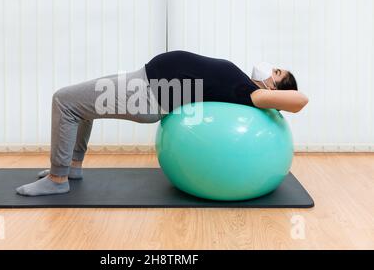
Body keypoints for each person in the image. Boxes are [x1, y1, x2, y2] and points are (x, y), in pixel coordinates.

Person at [16, 50, 308, 196]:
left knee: (63, 101)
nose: (270, 66)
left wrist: (272, 93)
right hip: (144, 84)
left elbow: (300, 100)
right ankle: (72, 168)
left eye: (277, 71)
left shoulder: (253, 94)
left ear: (272, 87)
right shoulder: (246, 83)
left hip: (146, 93)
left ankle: (57, 180)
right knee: (79, 106)